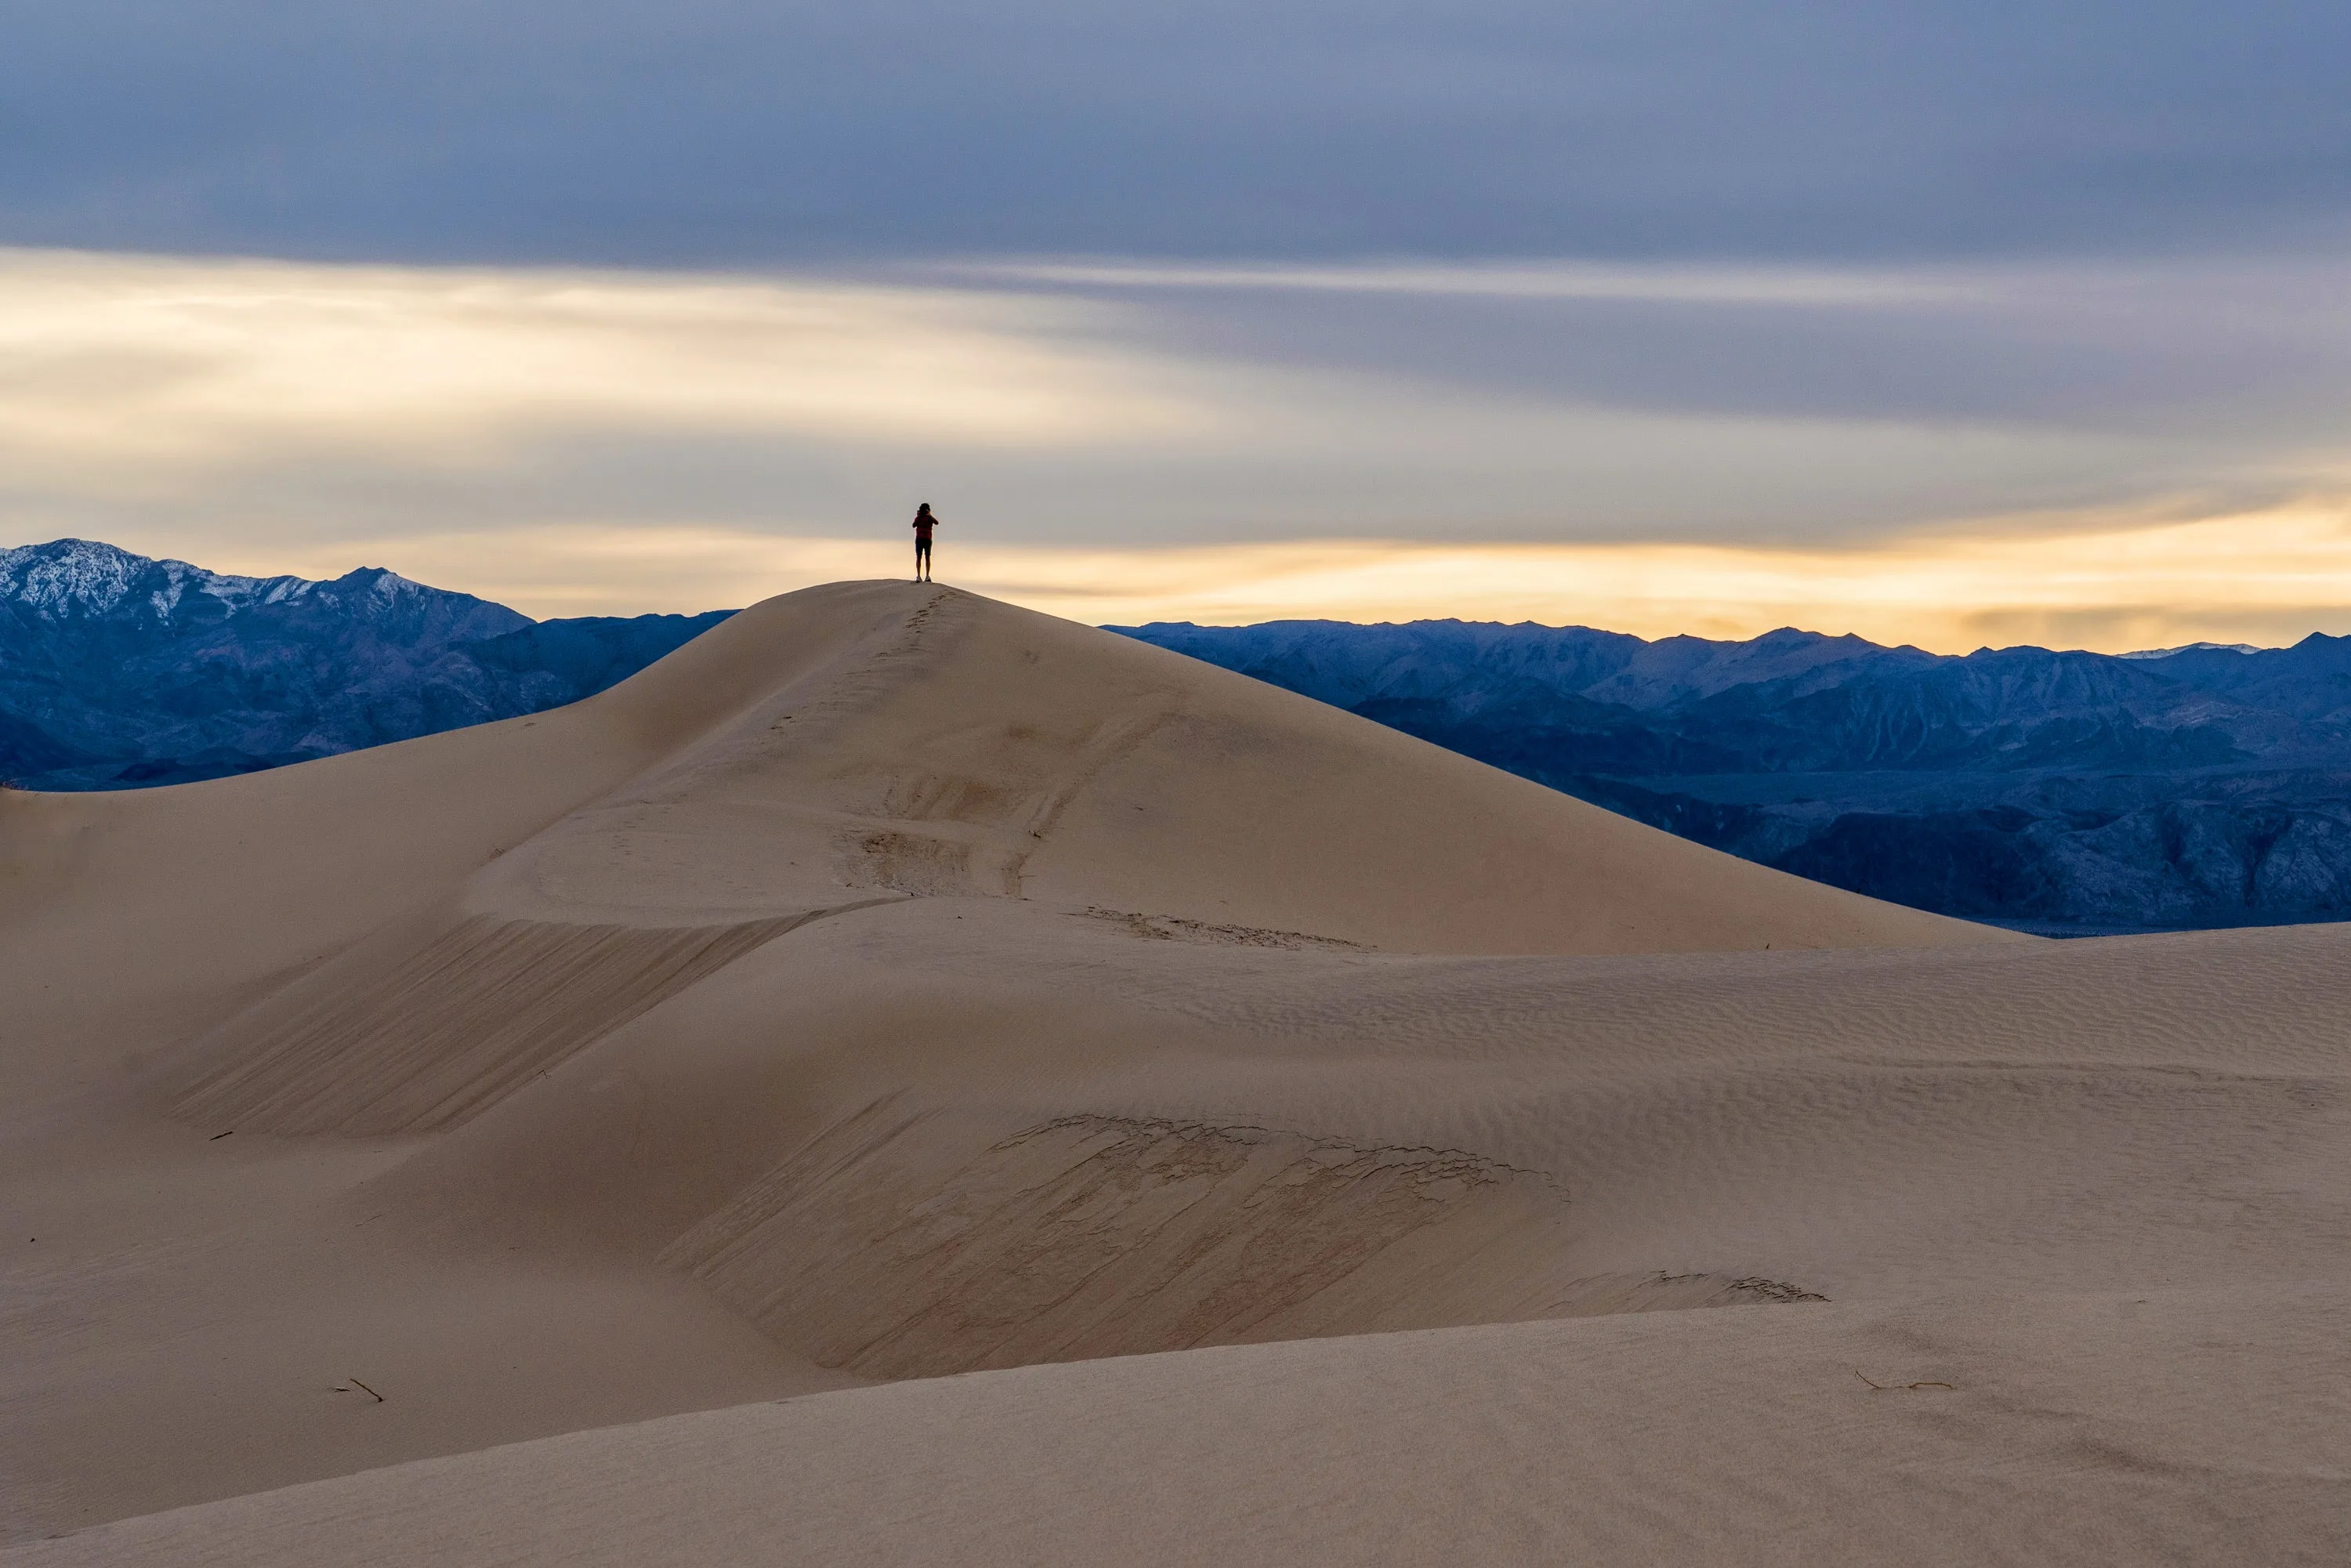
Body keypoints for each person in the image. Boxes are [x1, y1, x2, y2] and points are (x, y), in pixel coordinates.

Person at [911, 503, 940, 582]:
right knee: (919, 557)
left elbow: (937, 522)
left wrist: (930, 515)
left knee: (927, 557)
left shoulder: (930, 518)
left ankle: (927, 575)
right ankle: (919, 576)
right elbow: (913, 525)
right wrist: (919, 516)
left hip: (927, 539)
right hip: (920, 539)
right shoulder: (918, 518)